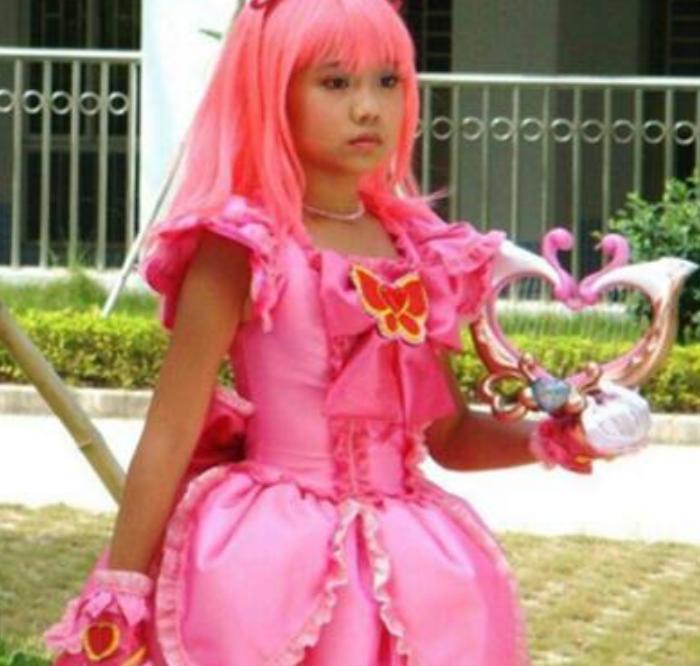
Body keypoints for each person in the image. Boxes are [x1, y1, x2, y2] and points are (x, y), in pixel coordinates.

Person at [41, 1, 645, 664]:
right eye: (335, 83)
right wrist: (122, 586)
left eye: (388, 81)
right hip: (264, 567)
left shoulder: (419, 251)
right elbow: (169, 433)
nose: (368, 108)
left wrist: (559, 435)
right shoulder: (243, 246)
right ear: (273, 91)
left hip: (412, 572)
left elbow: (448, 437)